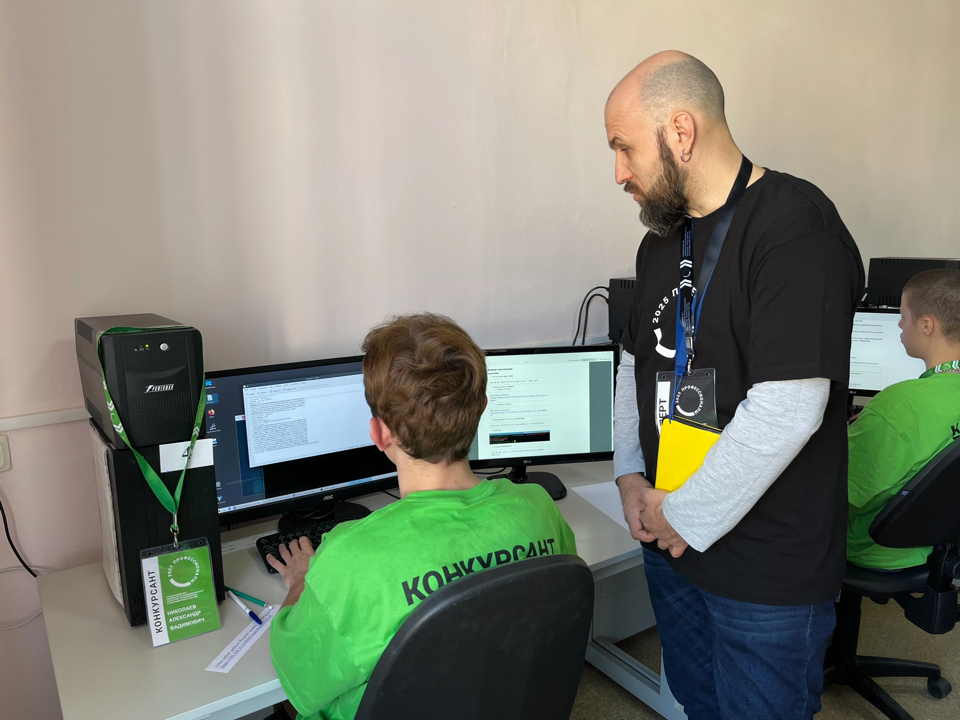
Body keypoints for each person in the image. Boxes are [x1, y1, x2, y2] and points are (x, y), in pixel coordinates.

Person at [605, 51, 864, 718]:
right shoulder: (661, 239)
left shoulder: (796, 228)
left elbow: (788, 408)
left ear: (681, 130)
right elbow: (634, 363)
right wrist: (631, 478)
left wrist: (682, 514)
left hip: (763, 567)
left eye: (625, 148)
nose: (619, 173)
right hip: (669, 536)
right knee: (699, 702)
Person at [267, 313, 577, 720]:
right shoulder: (537, 506)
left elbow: (299, 677)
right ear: (481, 410)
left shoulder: (349, 557)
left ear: (380, 433)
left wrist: (300, 582)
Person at [848, 269, 960, 570]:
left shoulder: (899, 405)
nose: (899, 324)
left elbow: (844, 493)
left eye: (902, 315)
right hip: (943, 546)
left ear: (926, 325)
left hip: (878, 549)